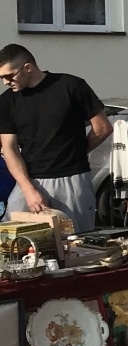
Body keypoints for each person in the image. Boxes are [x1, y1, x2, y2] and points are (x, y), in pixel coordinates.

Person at [0, 44, 110, 233]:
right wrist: (28, 190)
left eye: (9, 76)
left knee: (76, 244)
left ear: (28, 67)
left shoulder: (70, 86)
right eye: (1, 78)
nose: (5, 82)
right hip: (30, 180)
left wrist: (76, 153)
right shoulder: (7, 101)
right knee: (17, 244)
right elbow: (9, 148)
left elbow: (102, 128)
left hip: (72, 180)